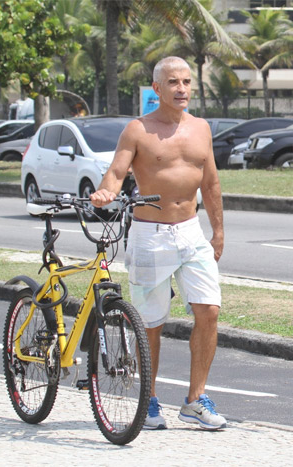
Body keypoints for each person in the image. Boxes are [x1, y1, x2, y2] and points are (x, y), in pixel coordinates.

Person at [90, 56, 226, 431]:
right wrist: (106, 191)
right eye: (173, 82)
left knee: (209, 312)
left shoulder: (201, 128)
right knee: (150, 323)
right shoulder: (138, 129)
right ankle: (148, 401)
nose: (182, 88)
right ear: (157, 89)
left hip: (191, 231)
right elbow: (117, 171)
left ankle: (195, 399)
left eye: (186, 82)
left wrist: (218, 232)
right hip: (150, 234)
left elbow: (211, 184)